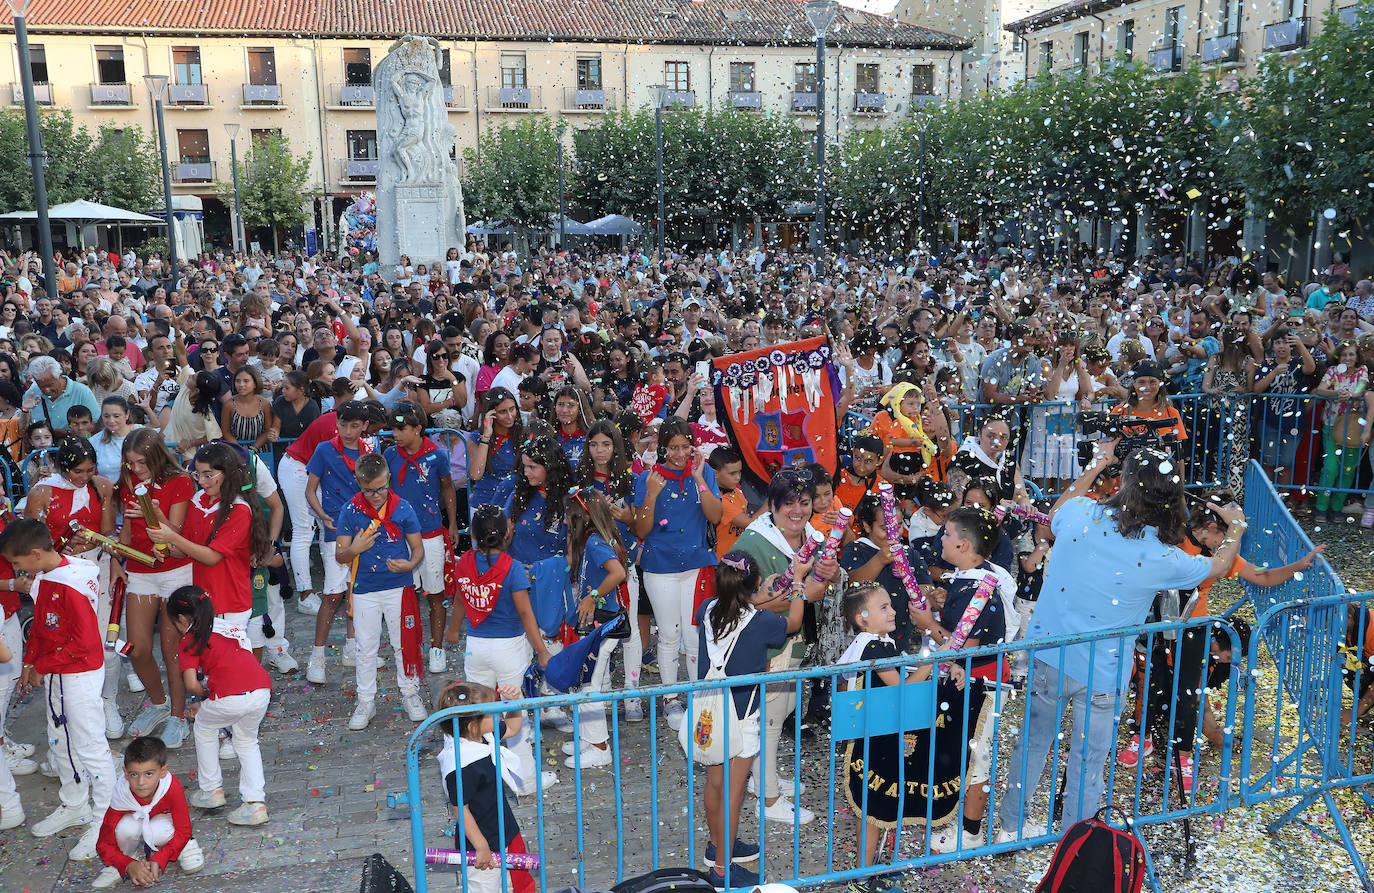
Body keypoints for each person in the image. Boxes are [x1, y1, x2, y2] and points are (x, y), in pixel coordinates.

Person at [996, 442, 1247, 843]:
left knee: (1033, 744)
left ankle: (1010, 827)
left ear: (1125, 483)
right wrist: (1236, 525)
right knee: (1088, 761)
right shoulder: (1161, 556)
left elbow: (1056, 513)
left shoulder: (1080, 515)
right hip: (1103, 669)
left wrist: (1098, 462)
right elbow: (1217, 564)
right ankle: (1075, 841)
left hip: (1049, 652)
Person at [1123, 493, 1322, 792]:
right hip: (1154, 623)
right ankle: (1143, 737)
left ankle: (1184, 755)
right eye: (1228, 533)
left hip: (1193, 629)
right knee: (1151, 683)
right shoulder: (1173, 537)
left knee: (1188, 694)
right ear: (1212, 527)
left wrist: (1297, 566)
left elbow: (1263, 576)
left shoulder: (1221, 554)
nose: (1229, 542)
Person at [729, 468, 841, 825]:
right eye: (788, 503)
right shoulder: (751, 542)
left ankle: (764, 778)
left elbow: (830, 582)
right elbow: (737, 601)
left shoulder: (811, 536)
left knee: (785, 706)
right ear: (772, 506)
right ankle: (769, 797)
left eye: (804, 502)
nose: (797, 510)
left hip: (796, 643)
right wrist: (804, 591)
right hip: (766, 647)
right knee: (769, 718)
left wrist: (832, 572)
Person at [8, 517, 116, 861]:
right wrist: (30, 660)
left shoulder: (67, 583)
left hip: (79, 674)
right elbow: (41, 626)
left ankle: (107, 820)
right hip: (59, 672)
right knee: (61, 740)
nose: (16, 569)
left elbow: (84, 644)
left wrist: (41, 665)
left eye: (16, 562)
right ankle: (74, 802)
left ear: (36, 554)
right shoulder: (46, 577)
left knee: (89, 745)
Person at [835, 582, 950, 881]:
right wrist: (933, 660)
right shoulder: (872, 646)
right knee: (873, 804)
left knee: (882, 800)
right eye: (883, 607)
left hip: (881, 730)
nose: (893, 610)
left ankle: (873, 865)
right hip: (872, 736)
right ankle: (863, 875)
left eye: (890, 604)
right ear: (862, 618)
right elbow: (903, 691)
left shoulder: (880, 641)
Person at [447, 506, 558, 795]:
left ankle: (483, 777)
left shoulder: (464, 564)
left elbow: (460, 598)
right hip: (508, 647)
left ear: (471, 534)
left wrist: (453, 629)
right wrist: (542, 650)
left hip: (475, 646)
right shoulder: (512, 567)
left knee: (477, 712)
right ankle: (524, 781)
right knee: (514, 712)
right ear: (508, 533)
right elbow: (525, 613)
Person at [24, 436, 121, 737]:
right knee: (60, 641)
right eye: (77, 471)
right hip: (57, 573)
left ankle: (108, 702)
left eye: (89, 470)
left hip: (97, 567)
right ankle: (63, 712)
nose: (83, 477)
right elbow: (32, 545)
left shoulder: (103, 487)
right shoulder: (41, 493)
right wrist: (64, 543)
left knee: (106, 641)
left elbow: (108, 532)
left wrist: (111, 554)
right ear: (61, 467)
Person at [631, 417, 722, 729]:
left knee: (695, 634)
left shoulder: (704, 471)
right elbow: (641, 528)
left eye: (685, 446)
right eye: (673, 447)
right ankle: (671, 698)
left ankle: (697, 694)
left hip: (698, 564)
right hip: (660, 568)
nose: (680, 454)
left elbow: (716, 515)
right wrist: (652, 495)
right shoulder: (647, 478)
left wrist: (698, 479)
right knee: (669, 634)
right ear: (662, 448)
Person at [333, 453, 427, 729]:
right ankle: (365, 700)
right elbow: (340, 555)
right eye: (368, 490)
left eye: (380, 488)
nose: (375, 495)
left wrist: (409, 564)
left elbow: (417, 547)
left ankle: (411, 693)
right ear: (358, 483)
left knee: (404, 643)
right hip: (365, 589)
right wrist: (355, 549)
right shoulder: (350, 510)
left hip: (399, 587)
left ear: (388, 478)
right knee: (366, 648)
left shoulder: (403, 507)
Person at [115, 429, 195, 749]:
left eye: (141, 462)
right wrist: (115, 561)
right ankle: (159, 703)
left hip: (175, 571)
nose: (136, 469)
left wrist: (153, 513)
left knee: (172, 649)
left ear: (156, 455)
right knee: (137, 648)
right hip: (139, 570)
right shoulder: (129, 482)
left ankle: (178, 715)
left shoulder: (180, 481)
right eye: (131, 462)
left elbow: (174, 534)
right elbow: (125, 530)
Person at [167, 586, 271, 827]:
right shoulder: (229, 628)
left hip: (229, 696)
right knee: (246, 741)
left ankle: (211, 790)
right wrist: (210, 702)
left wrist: (205, 698)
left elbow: (192, 684)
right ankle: (255, 803)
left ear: (182, 619)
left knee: (203, 728)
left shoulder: (191, 638)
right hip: (260, 690)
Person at [145, 443, 270, 627]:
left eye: (208, 475)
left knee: (226, 655)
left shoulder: (239, 509)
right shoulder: (199, 500)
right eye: (198, 474)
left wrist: (171, 538)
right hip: (203, 600)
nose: (201, 481)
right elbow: (185, 549)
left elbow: (212, 557)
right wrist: (166, 542)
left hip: (229, 603)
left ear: (227, 473)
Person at [435, 681, 537, 893]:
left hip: (505, 831)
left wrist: (514, 703)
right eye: (492, 712)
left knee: (515, 885)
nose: (496, 714)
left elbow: (512, 727)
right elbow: (459, 808)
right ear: (473, 725)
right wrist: (481, 846)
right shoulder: (460, 764)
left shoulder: (481, 737)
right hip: (481, 845)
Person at [384, 403, 460, 674]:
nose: (396, 433)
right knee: (404, 593)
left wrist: (451, 523)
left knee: (435, 592)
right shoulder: (390, 454)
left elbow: (448, 487)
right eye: (393, 428)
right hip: (399, 535)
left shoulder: (437, 455)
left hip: (430, 532)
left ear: (418, 429)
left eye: (401, 428)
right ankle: (407, 644)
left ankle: (436, 647)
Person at [303, 401, 374, 682]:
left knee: (356, 591)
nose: (347, 431)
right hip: (335, 529)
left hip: (364, 529)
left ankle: (351, 648)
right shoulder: (324, 449)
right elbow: (310, 490)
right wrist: (322, 516)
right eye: (343, 424)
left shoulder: (370, 451)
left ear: (364, 426)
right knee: (332, 593)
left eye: (354, 426)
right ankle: (317, 656)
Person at [560, 486, 628, 768]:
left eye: (568, 514)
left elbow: (618, 573)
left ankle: (600, 748)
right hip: (596, 625)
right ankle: (589, 738)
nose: (564, 520)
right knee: (586, 683)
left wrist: (592, 596)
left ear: (582, 517)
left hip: (601, 626)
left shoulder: (594, 543)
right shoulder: (591, 540)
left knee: (589, 686)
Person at [91, 736, 204, 890]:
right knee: (125, 829)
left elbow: (184, 830)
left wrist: (160, 858)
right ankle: (126, 858)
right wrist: (126, 864)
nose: (141, 782)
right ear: (125, 772)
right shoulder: (121, 792)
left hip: (163, 821)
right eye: (134, 774)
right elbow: (104, 842)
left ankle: (186, 847)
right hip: (136, 821)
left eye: (149, 774)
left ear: (163, 771)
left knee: (159, 831)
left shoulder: (171, 787)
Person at [1313, 340, 1368, 521]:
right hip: (1331, 426)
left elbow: (1361, 388)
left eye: (1351, 354)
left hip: (1353, 428)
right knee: (1330, 469)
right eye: (1344, 355)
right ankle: (1321, 507)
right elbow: (1321, 389)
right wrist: (1337, 394)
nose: (1348, 358)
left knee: (1348, 470)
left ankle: (1336, 508)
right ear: (1339, 357)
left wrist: (1351, 395)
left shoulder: (1362, 371)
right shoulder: (1332, 371)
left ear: (1357, 356)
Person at [468, 388, 522, 515]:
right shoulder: (477, 437)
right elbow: (475, 474)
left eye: (512, 409)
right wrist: (486, 436)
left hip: (515, 504)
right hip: (485, 504)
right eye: (503, 411)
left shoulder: (522, 436)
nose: (509, 416)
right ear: (491, 413)